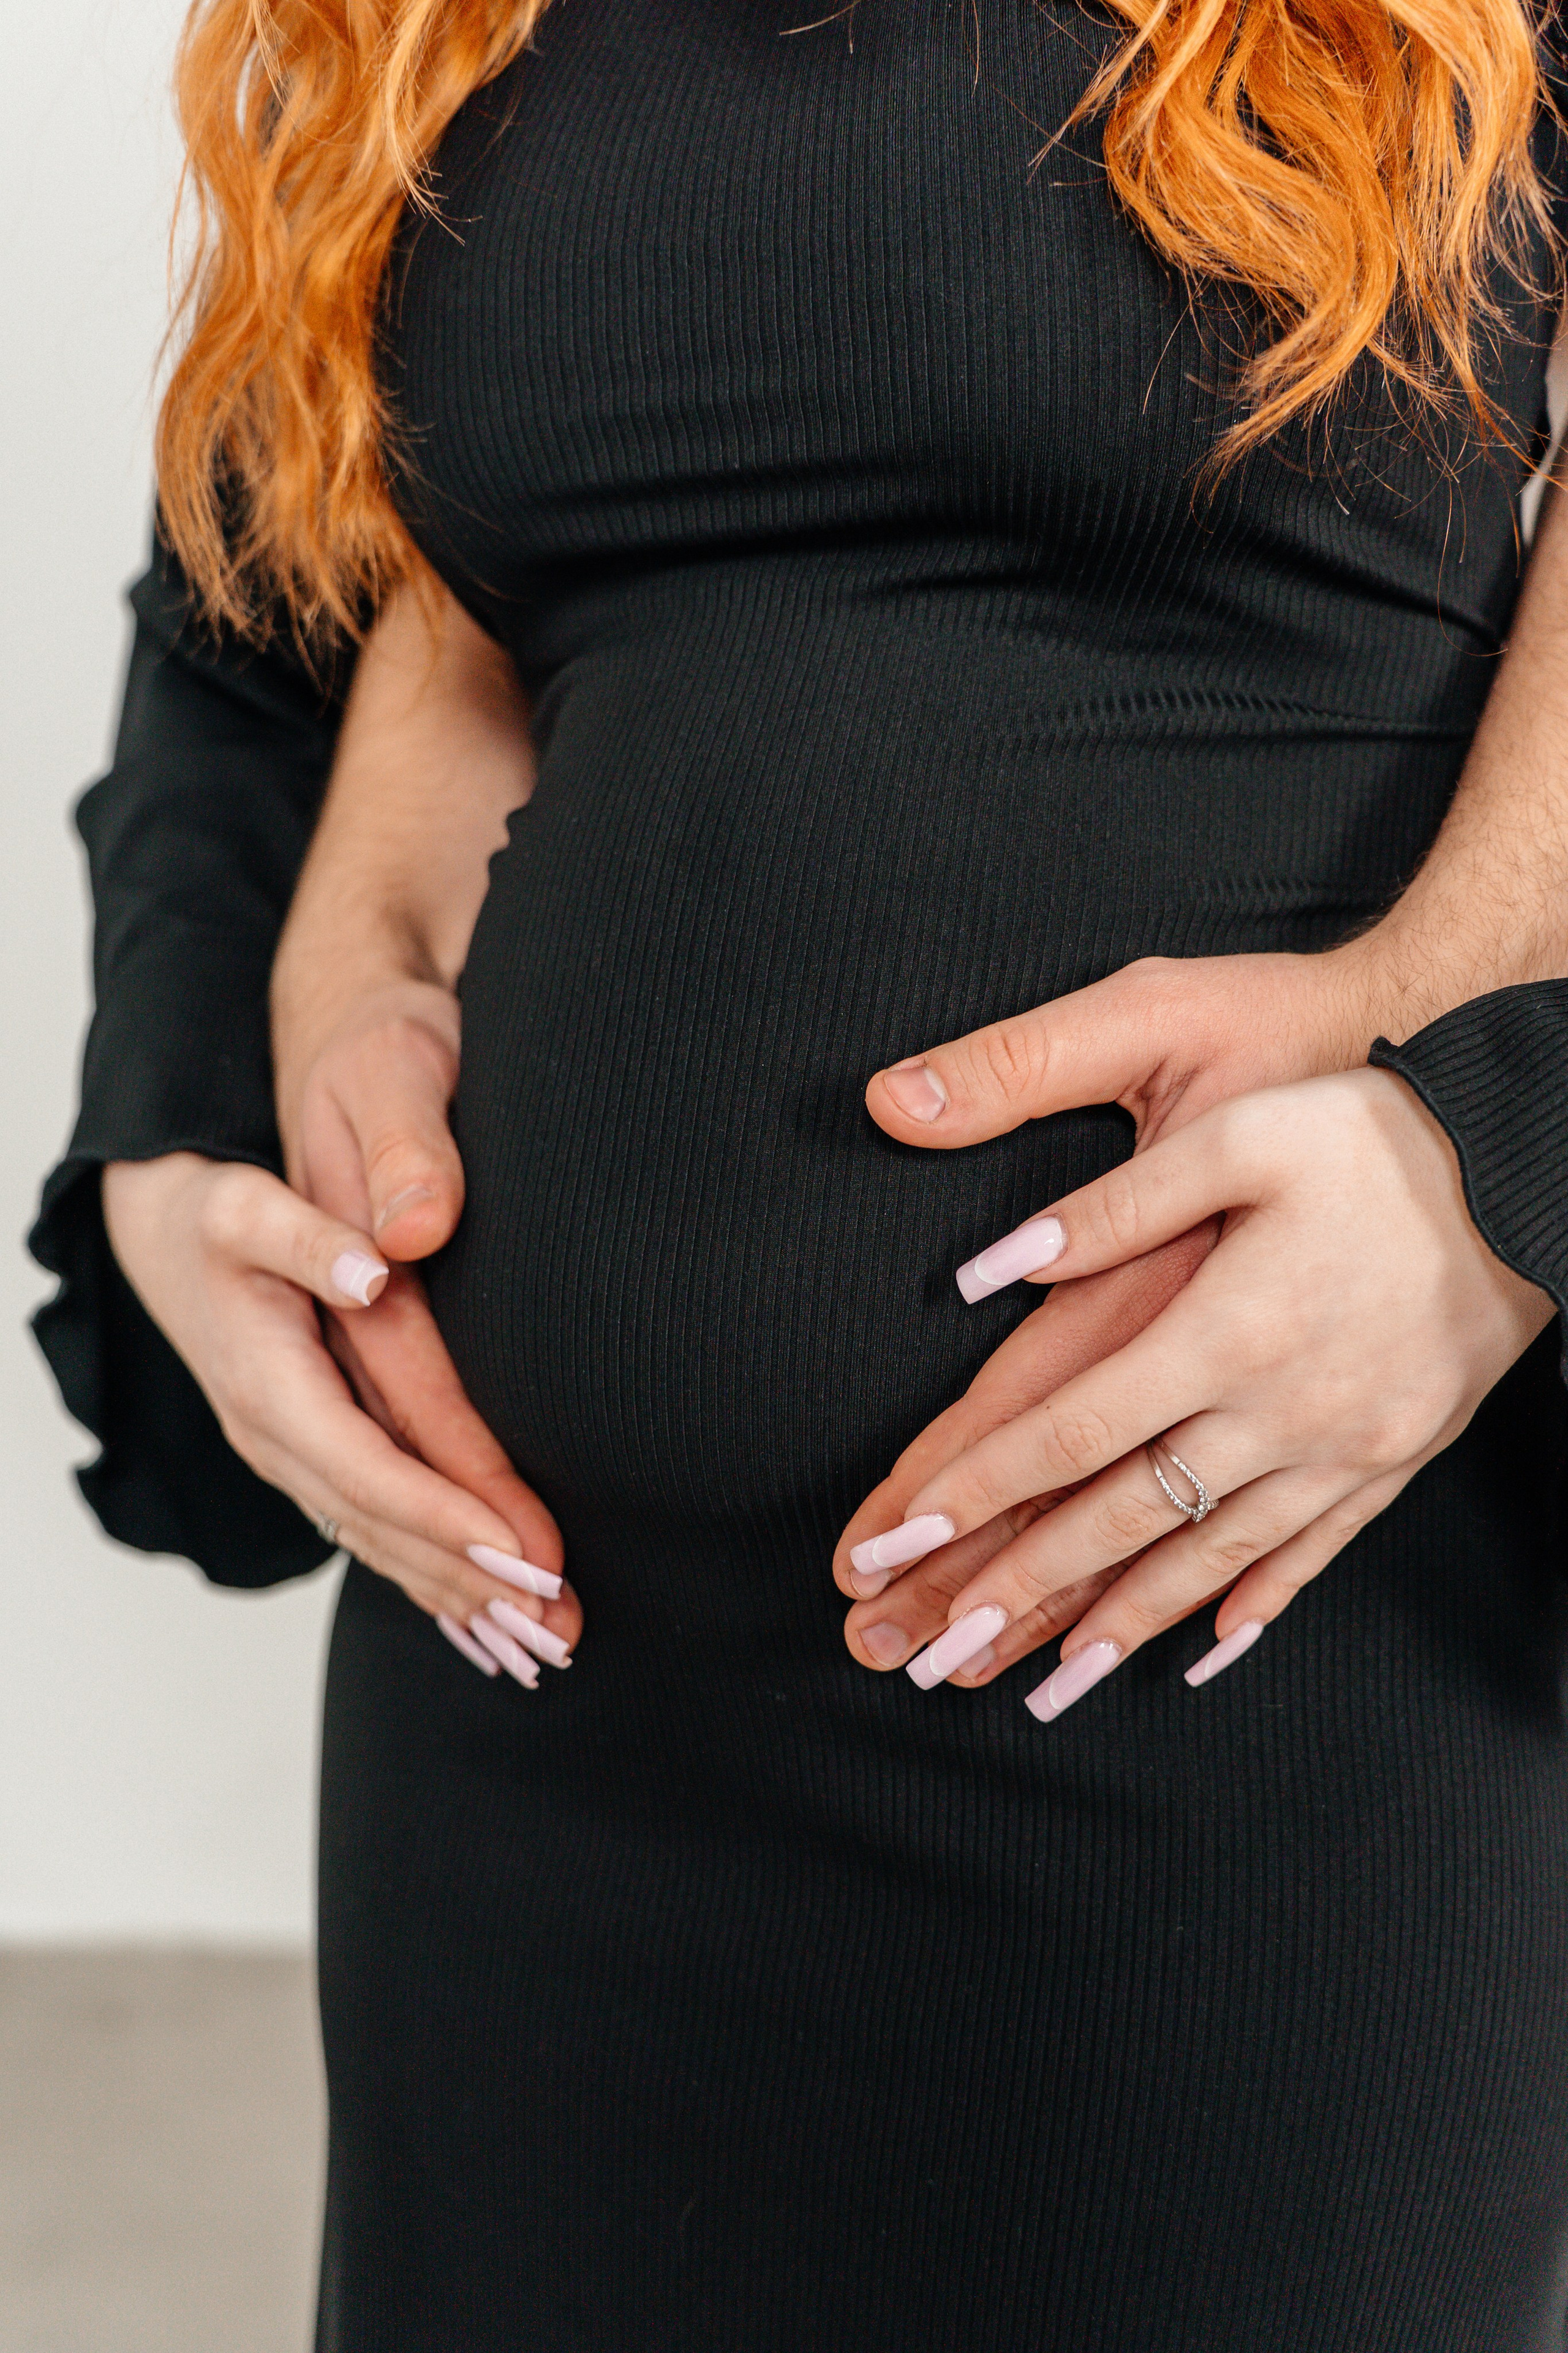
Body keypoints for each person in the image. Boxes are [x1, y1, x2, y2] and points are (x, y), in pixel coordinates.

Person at [30, 0, 1568, 2336]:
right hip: (536, 1712)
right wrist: (179, 1144)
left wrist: (1506, 1176)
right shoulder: (388, 29)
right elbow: (248, 618)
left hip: (1239, 1662)